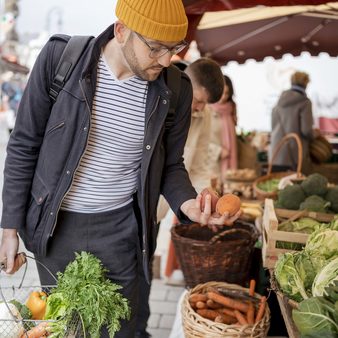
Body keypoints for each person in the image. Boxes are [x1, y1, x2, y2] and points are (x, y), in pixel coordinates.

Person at [0, 1, 240, 337]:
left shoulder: (176, 90)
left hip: (122, 230)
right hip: (55, 229)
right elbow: (24, 145)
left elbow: (171, 165)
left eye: (174, 49)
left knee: (123, 328)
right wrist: (9, 228)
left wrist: (190, 207)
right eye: (155, 48)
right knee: (66, 328)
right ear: (122, 30)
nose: (165, 60)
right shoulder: (61, 60)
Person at [136, 57, 225, 338]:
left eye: (204, 105)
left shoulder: (204, 115)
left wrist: (204, 203)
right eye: (198, 100)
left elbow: (198, 167)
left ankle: (141, 328)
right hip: (130, 199)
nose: (198, 108)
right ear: (188, 80)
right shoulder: (159, 91)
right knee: (126, 270)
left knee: (146, 267)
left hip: (161, 207)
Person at [270, 71, 315, 174]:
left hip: (276, 153)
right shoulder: (305, 102)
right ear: (306, 83)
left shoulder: (278, 102)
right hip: (294, 155)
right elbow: (306, 130)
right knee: (292, 188)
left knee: (275, 187)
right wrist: (315, 135)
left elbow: (273, 127)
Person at [208, 74, 238, 190]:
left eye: (227, 93)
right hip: (213, 163)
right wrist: (219, 151)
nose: (224, 97)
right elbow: (201, 140)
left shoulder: (231, 109)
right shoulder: (206, 110)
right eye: (221, 93)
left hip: (231, 159)